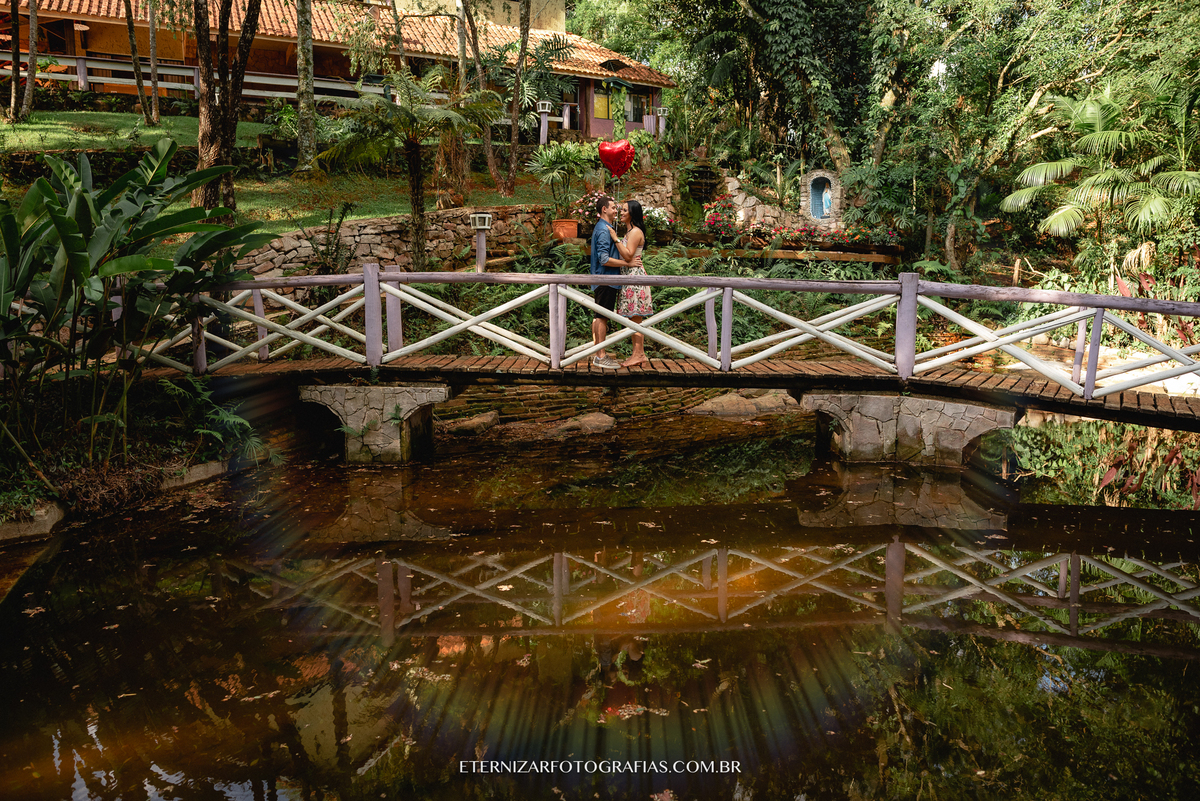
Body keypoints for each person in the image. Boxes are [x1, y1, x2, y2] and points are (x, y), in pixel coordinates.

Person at [589, 195, 641, 369]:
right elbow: (604, 259)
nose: (616, 210)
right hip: (606, 278)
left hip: (603, 278)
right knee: (602, 317)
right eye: (613, 207)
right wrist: (627, 263)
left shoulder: (605, 228)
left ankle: (598, 353)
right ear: (604, 209)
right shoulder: (604, 229)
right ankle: (601, 356)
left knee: (599, 316)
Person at [607, 200, 652, 368]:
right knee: (633, 318)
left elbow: (628, 256)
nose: (621, 212)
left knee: (635, 318)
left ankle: (639, 354)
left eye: (625, 210)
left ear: (633, 213)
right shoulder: (630, 232)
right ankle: (637, 353)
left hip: (635, 277)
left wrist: (615, 238)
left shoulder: (634, 232)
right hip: (629, 276)